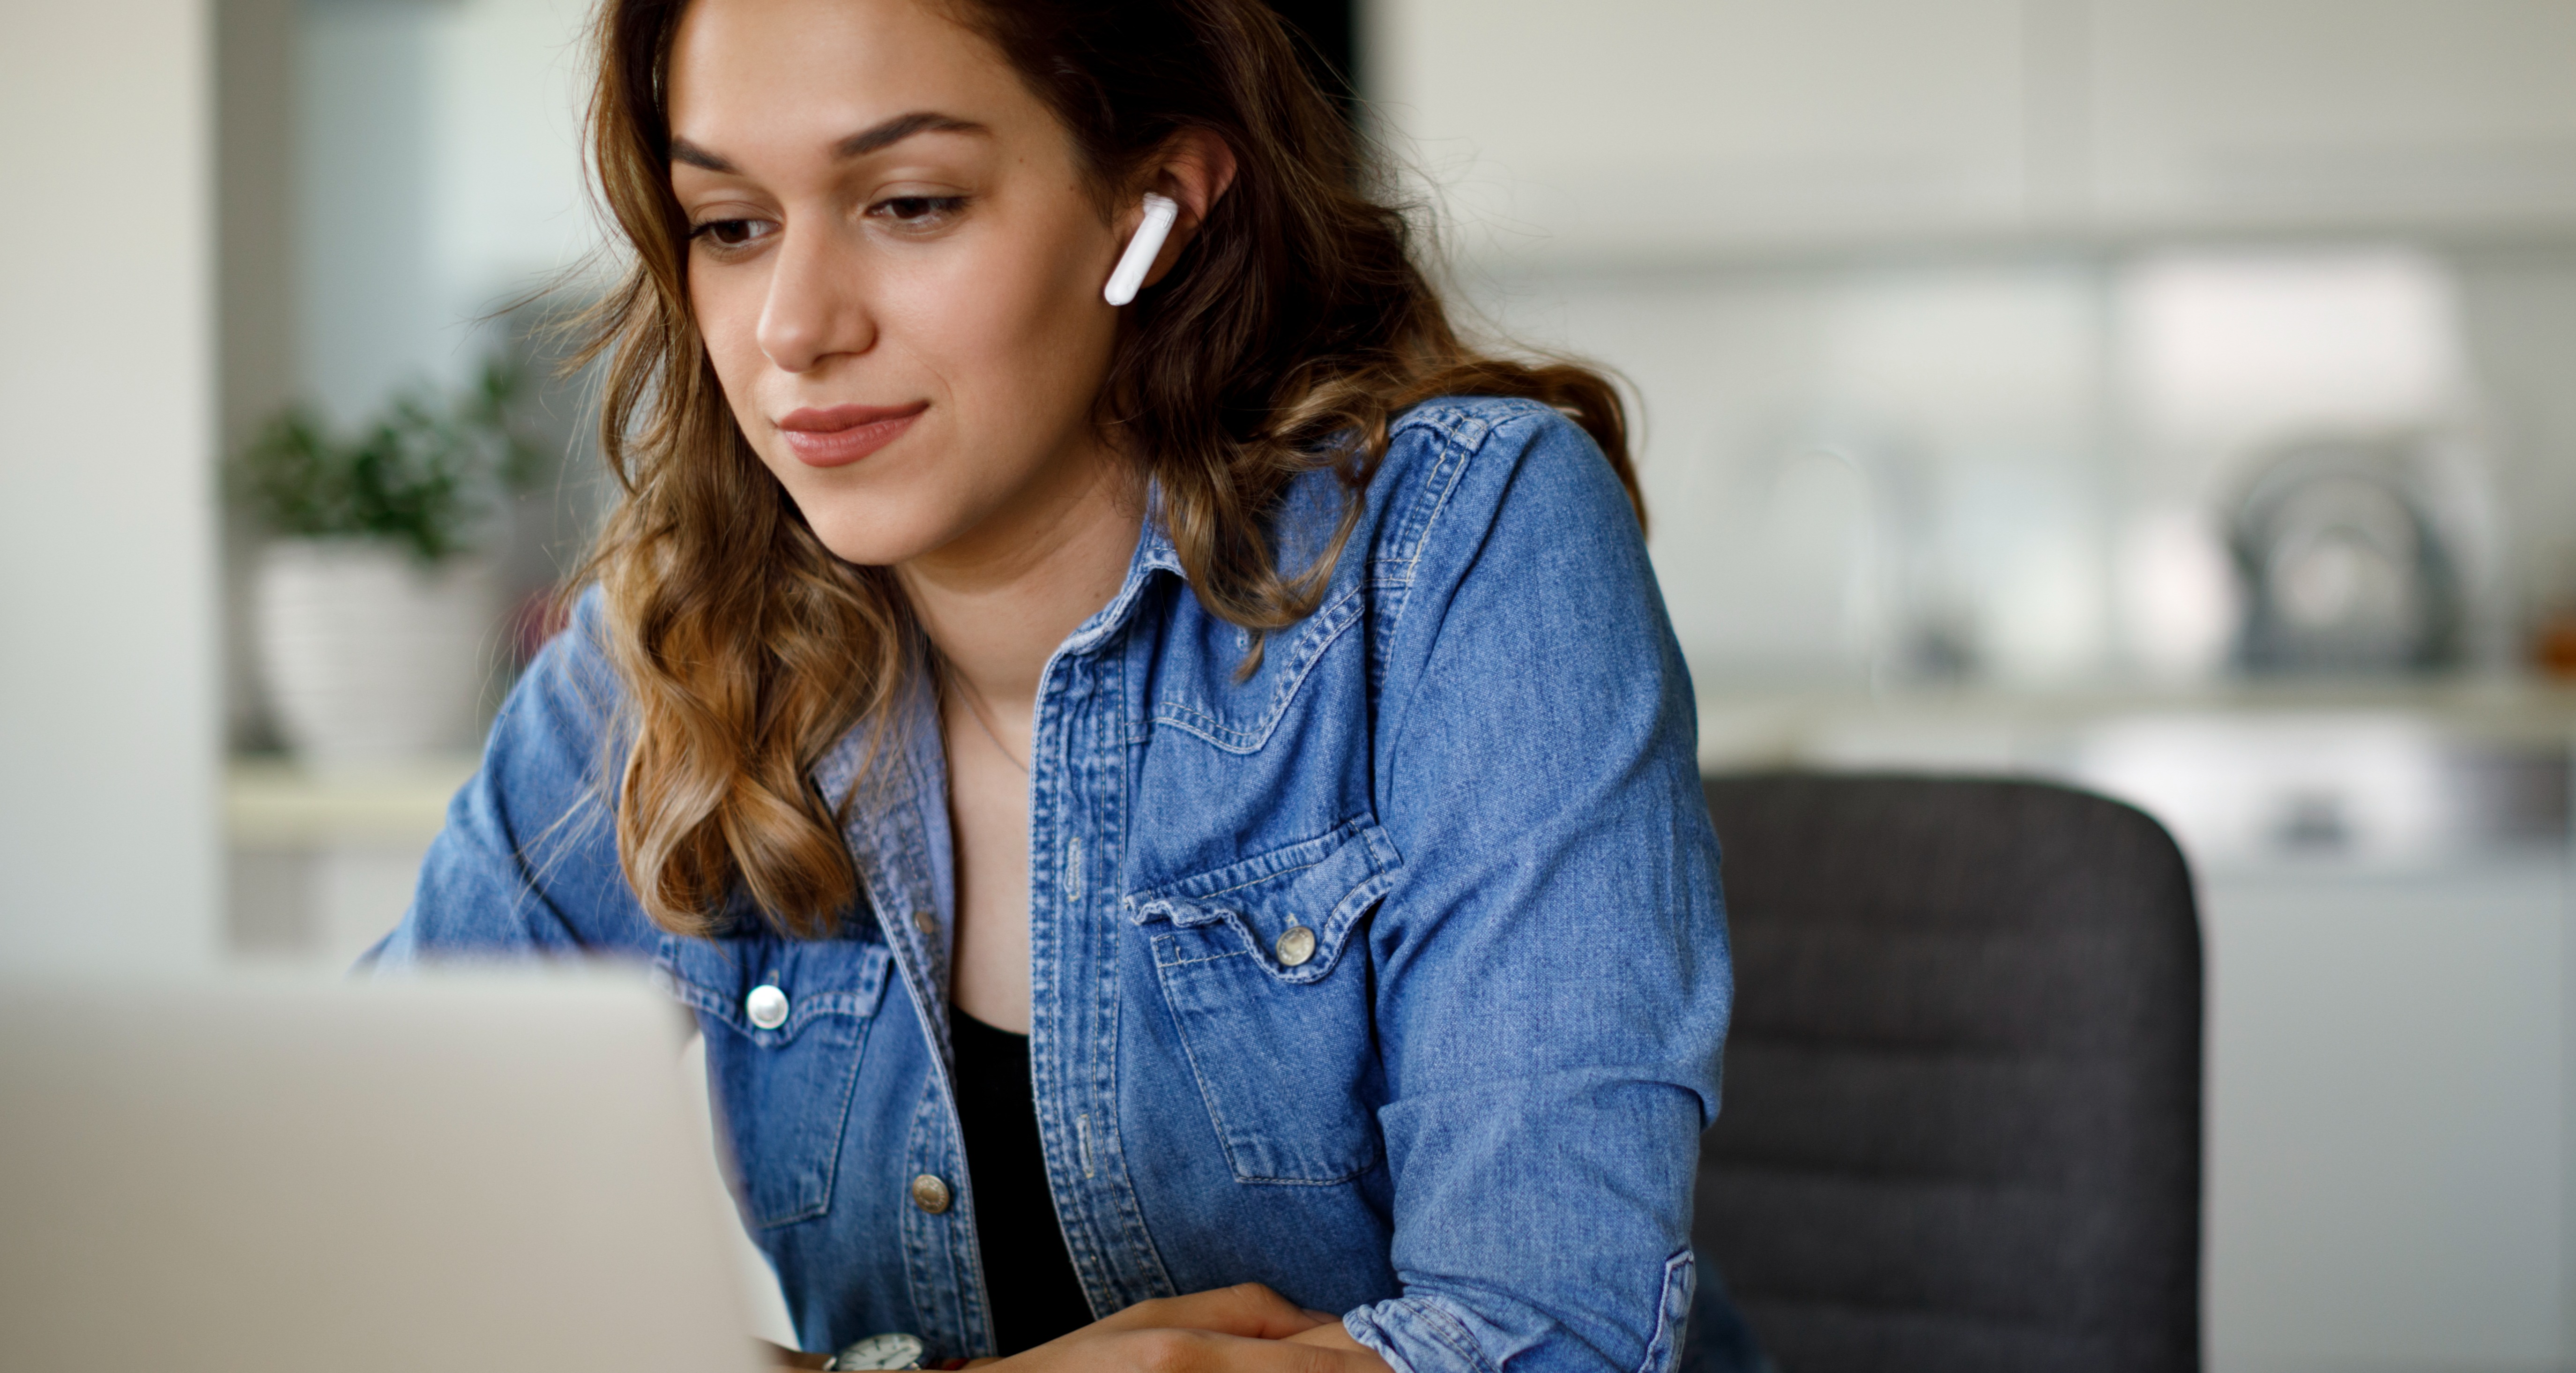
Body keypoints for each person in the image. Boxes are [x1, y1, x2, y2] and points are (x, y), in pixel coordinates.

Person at [367, 0, 1756, 1368]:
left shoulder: (1461, 545)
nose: (792, 327)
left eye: (909, 203)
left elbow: (1547, 1336)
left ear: (1155, 207)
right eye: (731, 226)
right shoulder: (667, 656)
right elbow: (349, 1219)